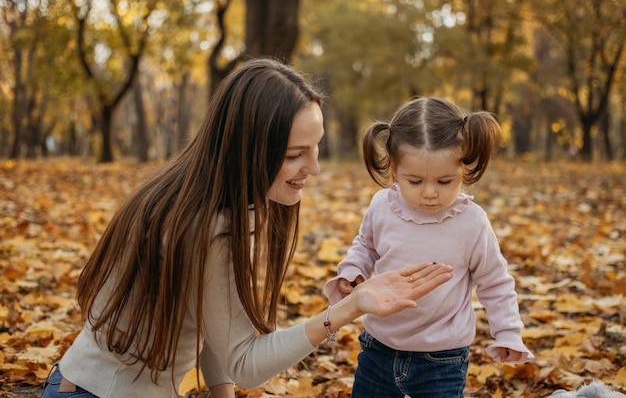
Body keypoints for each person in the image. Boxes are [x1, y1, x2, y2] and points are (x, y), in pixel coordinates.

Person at [40, 59, 453, 398]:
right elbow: (246, 363)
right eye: (295, 155)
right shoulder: (208, 229)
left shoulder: (205, 199)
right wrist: (350, 307)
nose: (313, 168)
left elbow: (212, 319)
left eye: (317, 147)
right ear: (251, 148)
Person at [325, 96, 535, 398]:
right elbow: (366, 247)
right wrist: (353, 270)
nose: (430, 193)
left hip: (443, 358)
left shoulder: (472, 223)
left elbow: (495, 282)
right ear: (394, 169)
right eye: (415, 181)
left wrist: (508, 333)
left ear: (463, 169)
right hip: (379, 347)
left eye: (444, 181)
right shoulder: (382, 206)